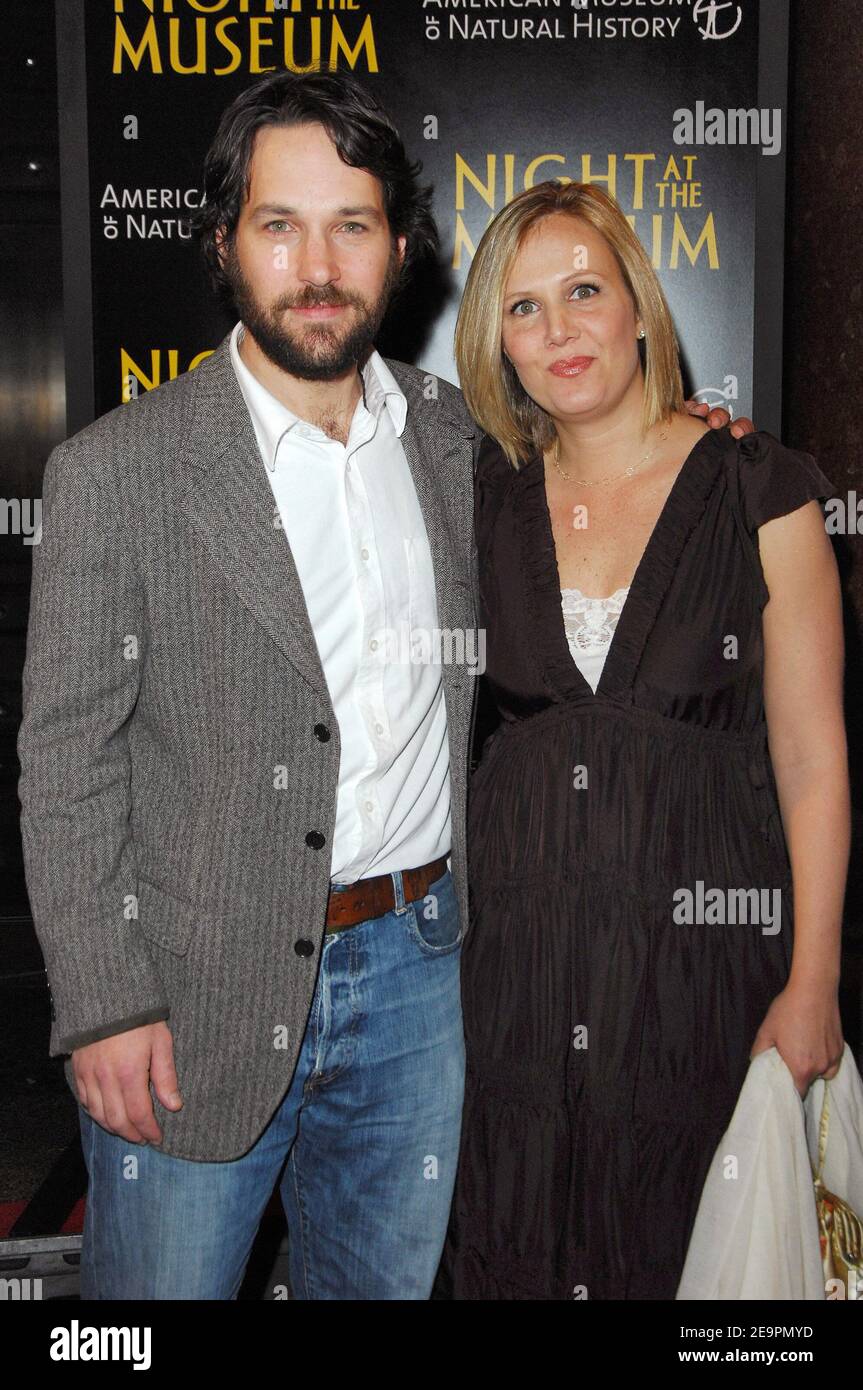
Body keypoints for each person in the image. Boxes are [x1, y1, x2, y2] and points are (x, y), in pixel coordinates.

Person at [18, 72, 741, 1301]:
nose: (316, 263)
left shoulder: (462, 443)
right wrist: (101, 1004)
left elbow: (595, 450)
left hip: (418, 974)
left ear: (398, 250)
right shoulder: (116, 472)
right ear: (223, 242)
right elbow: (65, 756)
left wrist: (689, 441)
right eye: (278, 224)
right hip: (190, 993)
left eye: (351, 225)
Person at [433, 180, 849, 1301]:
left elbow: (811, 759)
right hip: (514, 979)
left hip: (700, 975)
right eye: (522, 308)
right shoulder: (475, 497)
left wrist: (812, 977)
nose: (557, 331)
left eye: (581, 291)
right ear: (495, 341)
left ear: (636, 306)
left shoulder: (758, 488)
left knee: (686, 1254)